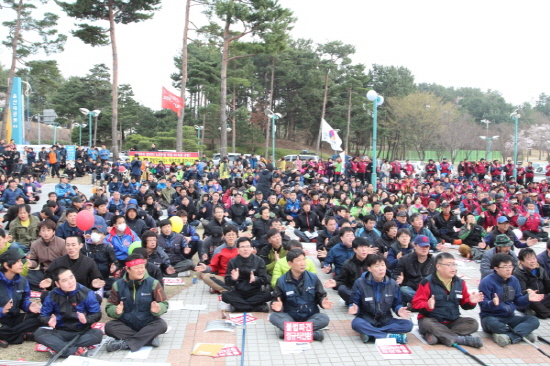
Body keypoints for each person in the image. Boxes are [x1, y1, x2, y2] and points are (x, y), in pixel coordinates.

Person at [412, 252, 484, 348]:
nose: (453, 268)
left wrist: (471, 301)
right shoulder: (427, 282)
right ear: (438, 266)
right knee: (427, 323)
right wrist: (427, 305)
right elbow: (416, 304)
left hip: (452, 322)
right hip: (432, 320)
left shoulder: (460, 283)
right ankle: (460, 339)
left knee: (473, 323)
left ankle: (439, 336)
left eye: (454, 264)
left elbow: (464, 304)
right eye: (449, 265)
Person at [105, 253, 168, 352]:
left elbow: (164, 303)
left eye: (142, 267)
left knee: (161, 325)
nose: (140, 270)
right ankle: (148, 339)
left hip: (147, 322)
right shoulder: (118, 285)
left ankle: (125, 344)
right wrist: (115, 311)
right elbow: (109, 306)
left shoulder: (153, 283)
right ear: (127, 269)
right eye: (136, 268)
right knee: (109, 327)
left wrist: (158, 309)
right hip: (126, 323)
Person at [35, 267, 103, 357]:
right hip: (60, 332)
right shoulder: (52, 295)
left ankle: (59, 349)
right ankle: (75, 350)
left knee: (98, 334)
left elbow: (97, 314)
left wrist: (86, 320)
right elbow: (42, 315)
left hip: (82, 332)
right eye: (64, 280)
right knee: (39, 333)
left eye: (71, 277)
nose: (70, 282)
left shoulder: (87, 293)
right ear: (57, 284)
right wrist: (48, 321)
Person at [478, 253, 543, 347]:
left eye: (510, 266)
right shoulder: (486, 282)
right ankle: (521, 333)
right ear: (496, 268)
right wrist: (492, 303)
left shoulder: (514, 280)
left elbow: (518, 302)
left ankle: (509, 337)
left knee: (533, 320)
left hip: (509, 317)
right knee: (492, 323)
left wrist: (527, 298)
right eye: (504, 267)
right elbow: (482, 304)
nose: (509, 270)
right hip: (492, 318)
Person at [269, 249, 332, 341]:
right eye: (299, 260)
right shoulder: (282, 281)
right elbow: (275, 300)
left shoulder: (313, 278)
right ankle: (313, 334)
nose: (303, 263)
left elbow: (321, 295)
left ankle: (288, 333)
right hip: (290, 316)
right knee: (274, 317)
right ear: (290, 264)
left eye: (304, 259)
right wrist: (276, 306)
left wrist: (322, 302)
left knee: (324, 318)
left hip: (310, 316)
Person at [348, 254, 412, 344]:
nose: (381, 269)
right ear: (369, 268)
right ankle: (387, 336)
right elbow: (353, 303)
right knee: (356, 323)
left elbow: (396, 304)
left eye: (383, 265)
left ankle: (371, 334)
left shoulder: (393, 284)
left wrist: (398, 310)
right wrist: (354, 309)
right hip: (367, 319)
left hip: (386, 320)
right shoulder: (360, 283)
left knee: (408, 325)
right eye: (377, 266)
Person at [0, 250, 41, 348]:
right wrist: (2, 310)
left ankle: (7, 334)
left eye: (21, 261)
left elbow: (23, 301)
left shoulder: (22, 280)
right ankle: (22, 335)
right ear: (6, 265)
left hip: (13, 318)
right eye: (17, 261)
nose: (21, 264)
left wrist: (29, 305)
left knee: (39, 317)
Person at [221, 237, 272, 312]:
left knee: (268, 294)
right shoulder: (232, 262)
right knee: (225, 295)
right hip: (238, 292)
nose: (245, 249)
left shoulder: (259, 261)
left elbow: (264, 279)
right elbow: (227, 282)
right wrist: (234, 279)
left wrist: (255, 279)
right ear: (238, 249)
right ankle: (256, 307)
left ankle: (238, 307)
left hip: (255, 292)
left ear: (251, 248)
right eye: (242, 247)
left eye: (248, 246)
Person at [324, 237, 373, 305]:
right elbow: (343, 281)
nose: (364, 250)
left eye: (366, 247)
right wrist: (336, 283)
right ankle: (360, 303)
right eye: (361, 247)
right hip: (355, 291)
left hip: (371, 291)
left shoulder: (373, 261)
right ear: (355, 249)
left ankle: (360, 303)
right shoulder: (348, 264)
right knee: (342, 289)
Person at [392, 235, 436, 305]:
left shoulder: (434, 261)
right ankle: (423, 302)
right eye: (422, 246)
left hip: (427, 289)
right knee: (403, 290)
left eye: (426, 247)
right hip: (411, 288)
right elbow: (396, 274)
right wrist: (399, 278)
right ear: (415, 246)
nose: (424, 249)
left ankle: (418, 303)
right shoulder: (405, 259)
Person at [194, 225, 239, 293]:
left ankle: (223, 289)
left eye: (233, 235)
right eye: (228, 235)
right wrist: (206, 268)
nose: (231, 237)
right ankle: (231, 290)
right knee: (206, 277)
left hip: (239, 276)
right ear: (224, 236)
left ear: (237, 236)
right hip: (224, 277)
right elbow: (213, 266)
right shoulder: (218, 250)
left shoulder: (241, 248)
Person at [27, 220, 66, 290]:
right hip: (43, 271)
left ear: (54, 232)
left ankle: (49, 286)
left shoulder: (62, 243)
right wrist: (30, 263)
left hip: (58, 272)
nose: (46, 233)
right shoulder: (35, 244)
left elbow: (66, 261)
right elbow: (35, 261)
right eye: (43, 230)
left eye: (49, 230)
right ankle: (47, 286)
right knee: (26, 274)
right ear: (39, 232)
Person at [513, 248, 550, 318]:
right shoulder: (518, 273)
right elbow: (522, 292)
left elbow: (547, 284)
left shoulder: (540, 269)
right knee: (533, 302)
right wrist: (532, 294)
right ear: (521, 261)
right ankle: (543, 312)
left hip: (541, 297)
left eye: (534, 258)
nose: (532, 261)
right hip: (529, 299)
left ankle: (535, 312)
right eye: (529, 259)